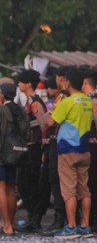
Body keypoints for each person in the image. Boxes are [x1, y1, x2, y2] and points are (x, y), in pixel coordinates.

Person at [46, 68, 94, 239]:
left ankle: (71, 227)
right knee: (84, 189)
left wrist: (54, 106)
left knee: (69, 191)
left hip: (67, 151)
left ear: (67, 82)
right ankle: (85, 226)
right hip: (84, 150)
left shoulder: (67, 102)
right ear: (83, 83)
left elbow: (50, 122)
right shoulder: (88, 101)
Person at [16, 69, 47, 231]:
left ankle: (35, 219)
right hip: (28, 148)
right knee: (24, 183)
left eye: (21, 81)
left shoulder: (35, 103)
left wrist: (44, 149)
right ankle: (32, 217)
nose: (18, 84)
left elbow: (44, 126)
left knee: (30, 183)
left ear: (28, 84)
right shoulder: (29, 102)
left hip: (35, 149)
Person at [39, 68, 69, 236]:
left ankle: (59, 220)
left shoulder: (62, 97)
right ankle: (74, 220)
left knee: (57, 181)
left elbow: (49, 121)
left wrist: (49, 113)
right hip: (72, 144)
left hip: (59, 143)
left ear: (60, 79)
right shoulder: (78, 97)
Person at [0, 82, 28, 235]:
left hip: (2, 153)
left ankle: (6, 226)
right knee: (11, 189)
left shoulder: (2, 109)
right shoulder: (20, 110)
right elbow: (26, 130)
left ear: (2, 95)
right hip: (16, 153)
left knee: (1, 188)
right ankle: (11, 223)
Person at [82, 71, 97, 234]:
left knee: (94, 184)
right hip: (86, 147)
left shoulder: (94, 100)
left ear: (85, 82)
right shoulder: (86, 100)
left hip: (92, 147)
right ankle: (89, 219)